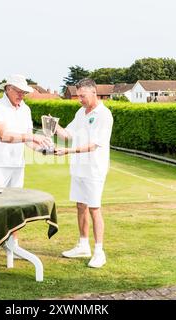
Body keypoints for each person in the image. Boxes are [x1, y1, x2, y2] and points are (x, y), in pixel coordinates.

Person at [0, 74, 51, 268]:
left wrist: (43, 148)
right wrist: (33, 137)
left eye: (24, 92)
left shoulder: (25, 109)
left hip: (18, 165)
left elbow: (27, 140)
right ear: (7, 88)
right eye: (18, 91)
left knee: (15, 207)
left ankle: (12, 245)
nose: (21, 95)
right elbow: (4, 135)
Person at [53, 78, 113, 268]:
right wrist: (53, 126)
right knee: (80, 206)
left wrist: (68, 151)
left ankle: (99, 252)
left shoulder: (104, 115)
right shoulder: (80, 112)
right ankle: (83, 245)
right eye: (78, 95)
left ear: (94, 92)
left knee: (94, 209)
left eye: (82, 96)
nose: (79, 99)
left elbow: (93, 145)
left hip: (94, 169)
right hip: (78, 168)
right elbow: (68, 135)